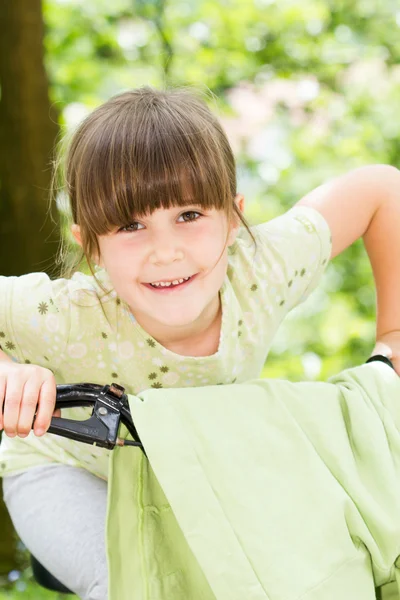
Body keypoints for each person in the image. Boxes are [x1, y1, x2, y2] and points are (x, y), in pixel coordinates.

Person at [0, 86, 399, 600]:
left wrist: (391, 341)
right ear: (91, 246)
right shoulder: (67, 313)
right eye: (130, 225)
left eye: (189, 216)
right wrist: (8, 372)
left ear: (233, 218)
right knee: (138, 584)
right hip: (71, 471)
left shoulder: (261, 272)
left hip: (195, 463)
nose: (166, 252)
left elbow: (381, 188)